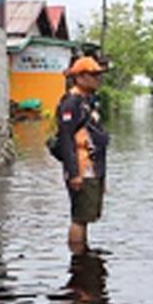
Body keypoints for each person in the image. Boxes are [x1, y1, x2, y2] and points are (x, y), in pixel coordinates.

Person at [58, 57, 109, 248]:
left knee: (87, 215)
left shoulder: (87, 101)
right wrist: (73, 173)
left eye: (98, 75)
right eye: (94, 75)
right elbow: (65, 138)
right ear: (80, 77)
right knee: (79, 216)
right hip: (81, 167)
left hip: (92, 167)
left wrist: (102, 175)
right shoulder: (71, 103)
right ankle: (78, 256)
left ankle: (83, 255)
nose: (98, 79)